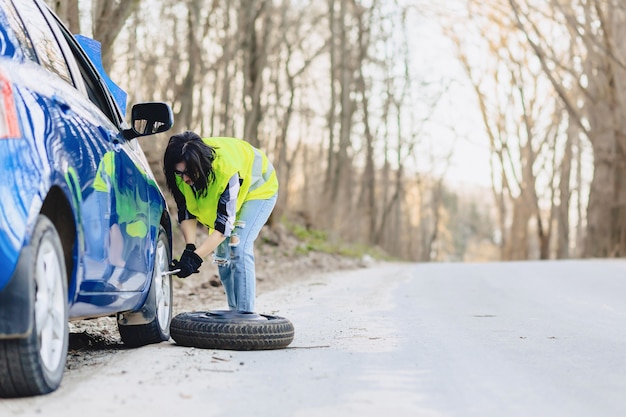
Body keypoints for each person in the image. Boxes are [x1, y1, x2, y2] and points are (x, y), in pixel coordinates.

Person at [163, 131, 278, 313]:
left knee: (237, 246)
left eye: (188, 173)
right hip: (234, 196)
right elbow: (186, 212)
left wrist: (195, 259)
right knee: (222, 257)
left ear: (200, 165)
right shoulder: (180, 174)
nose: (184, 178)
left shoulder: (225, 171)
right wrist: (190, 248)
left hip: (258, 189)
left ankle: (245, 315)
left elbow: (224, 226)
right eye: (179, 173)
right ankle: (234, 313)